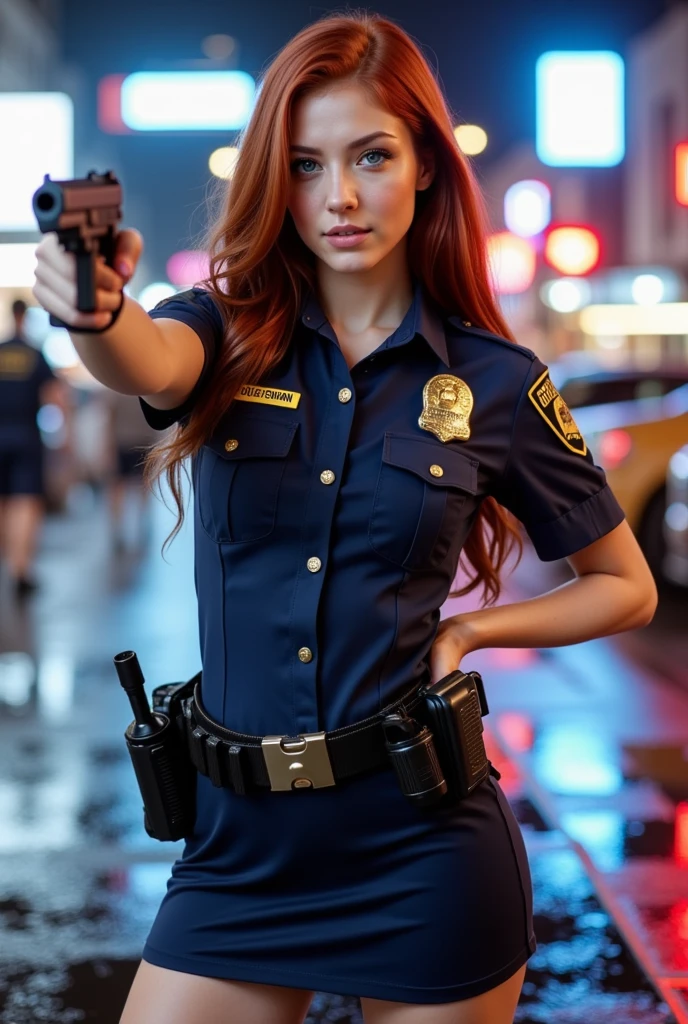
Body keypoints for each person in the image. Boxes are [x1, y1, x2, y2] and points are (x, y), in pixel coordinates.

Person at [31, 12, 658, 1024]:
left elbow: (624, 586)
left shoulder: (495, 383)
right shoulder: (224, 331)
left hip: (422, 843)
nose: (341, 196)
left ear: (422, 166)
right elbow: (140, 360)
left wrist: (471, 628)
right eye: (308, 163)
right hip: (237, 851)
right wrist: (94, 310)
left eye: (371, 155)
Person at [0, 298, 69, 597]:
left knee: (3, 502)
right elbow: (55, 397)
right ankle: (21, 568)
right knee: (26, 502)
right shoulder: (34, 353)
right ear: (25, 317)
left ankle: (9, 564)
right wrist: (66, 434)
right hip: (26, 434)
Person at [103, 389, 161, 552]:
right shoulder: (148, 387)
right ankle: (124, 528)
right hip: (132, 442)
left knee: (134, 486)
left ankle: (133, 527)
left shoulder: (118, 387)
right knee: (125, 487)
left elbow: (109, 418)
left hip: (139, 442)